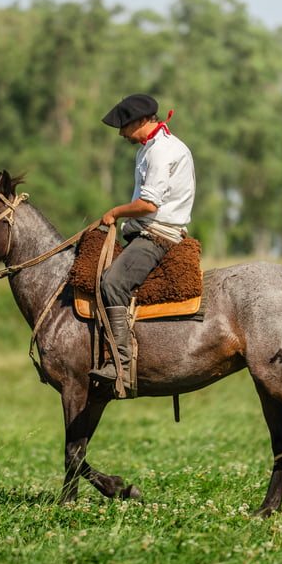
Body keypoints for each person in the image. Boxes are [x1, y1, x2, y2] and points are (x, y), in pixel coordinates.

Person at [89, 94, 196, 391]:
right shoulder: (148, 148)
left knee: (112, 282)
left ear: (140, 121)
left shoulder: (161, 151)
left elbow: (149, 205)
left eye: (123, 127)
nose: (121, 133)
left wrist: (115, 212)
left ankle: (120, 364)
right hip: (143, 231)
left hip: (158, 235)